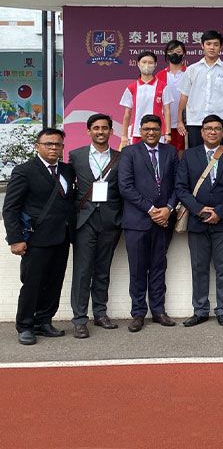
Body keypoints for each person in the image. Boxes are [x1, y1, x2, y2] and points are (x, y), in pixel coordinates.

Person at [3, 128, 76, 345]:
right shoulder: (24, 171)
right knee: (32, 283)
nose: (53, 148)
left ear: (62, 147)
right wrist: (15, 239)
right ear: (37, 146)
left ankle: (44, 321)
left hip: (62, 236)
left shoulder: (67, 170)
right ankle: (25, 325)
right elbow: (10, 208)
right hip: (36, 238)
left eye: (57, 144)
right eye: (48, 144)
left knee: (54, 282)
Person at [176, 115, 223, 327]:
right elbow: (180, 188)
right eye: (208, 128)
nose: (213, 132)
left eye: (217, 129)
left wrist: (220, 212)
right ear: (202, 132)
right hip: (198, 221)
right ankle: (200, 310)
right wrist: (198, 210)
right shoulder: (189, 155)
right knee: (199, 268)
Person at [117, 114, 178, 333]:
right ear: (140, 131)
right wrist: (151, 210)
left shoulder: (171, 152)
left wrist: (168, 208)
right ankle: (138, 313)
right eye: (146, 129)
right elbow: (125, 187)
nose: (151, 132)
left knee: (159, 267)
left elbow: (178, 184)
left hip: (164, 220)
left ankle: (159, 311)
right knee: (138, 269)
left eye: (154, 129)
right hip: (137, 221)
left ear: (161, 130)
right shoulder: (129, 153)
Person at [68, 114, 123, 339]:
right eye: (96, 128)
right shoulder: (76, 156)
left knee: (103, 270)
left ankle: (100, 313)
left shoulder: (121, 157)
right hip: (84, 220)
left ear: (111, 131)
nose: (101, 131)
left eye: (105, 128)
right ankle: (80, 319)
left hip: (110, 220)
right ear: (88, 131)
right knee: (82, 271)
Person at [177, 29, 223, 148]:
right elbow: (184, 97)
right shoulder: (192, 70)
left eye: (216, 44)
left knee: (221, 156)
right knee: (196, 156)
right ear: (202, 45)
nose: (212, 47)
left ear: (220, 47)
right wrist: (180, 121)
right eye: (208, 44)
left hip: (222, 122)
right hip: (196, 122)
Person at [119, 50, 174, 148]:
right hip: (137, 133)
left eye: (150, 62)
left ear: (155, 65)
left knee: (156, 156)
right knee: (137, 157)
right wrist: (124, 135)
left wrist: (168, 133)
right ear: (138, 64)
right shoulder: (131, 88)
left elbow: (167, 111)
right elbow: (127, 114)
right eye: (144, 62)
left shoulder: (163, 86)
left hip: (157, 132)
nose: (147, 65)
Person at [155, 39, 187, 155]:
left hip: (185, 122)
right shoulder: (159, 76)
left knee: (183, 153)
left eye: (178, 52)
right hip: (166, 123)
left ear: (184, 54)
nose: (174, 54)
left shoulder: (189, 73)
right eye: (171, 51)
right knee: (166, 154)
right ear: (166, 54)